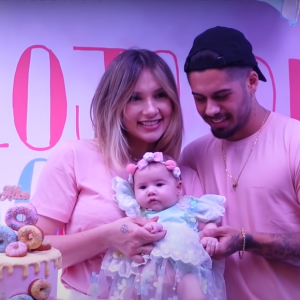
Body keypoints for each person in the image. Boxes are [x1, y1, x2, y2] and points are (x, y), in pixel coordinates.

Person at [30, 49, 201, 299]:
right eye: (135, 98)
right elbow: (32, 249)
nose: (151, 109)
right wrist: (109, 236)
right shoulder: (74, 157)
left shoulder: (184, 175)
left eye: (160, 95)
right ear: (113, 103)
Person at [180, 26, 300, 300]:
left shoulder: (294, 142)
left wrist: (247, 240)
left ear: (252, 82)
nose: (210, 109)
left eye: (222, 96)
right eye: (199, 99)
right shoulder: (193, 156)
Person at [89, 151, 226, 300]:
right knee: (130, 290)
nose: (151, 191)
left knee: (193, 287)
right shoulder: (140, 214)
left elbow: (208, 225)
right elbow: (132, 235)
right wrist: (146, 229)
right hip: (145, 276)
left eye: (159, 184)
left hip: (184, 270)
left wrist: (210, 235)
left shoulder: (188, 207)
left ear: (178, 187)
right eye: (143, 187)